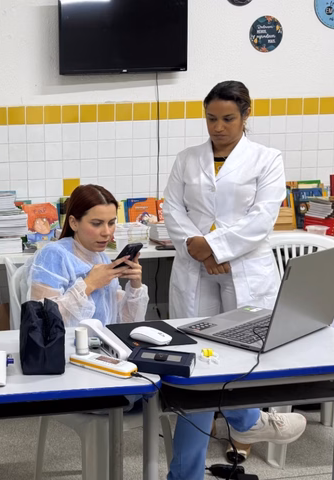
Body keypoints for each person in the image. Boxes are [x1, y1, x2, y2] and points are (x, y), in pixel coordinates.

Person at [163, 81, 306, 479]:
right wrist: (199, 248)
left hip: (243, 269)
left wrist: (214, 247)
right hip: (195, 268)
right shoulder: (187, 158)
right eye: (211, 119)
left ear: (246, 116)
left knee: (244, 359)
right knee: (196, 369)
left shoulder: (267, 158)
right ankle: (241, 426)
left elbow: (261, 218)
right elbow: (172, 209)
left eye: (228, 119)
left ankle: (246, 420)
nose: (218, 127)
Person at [25, 184, 148, 327]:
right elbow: (42, 322)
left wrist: (135, 286)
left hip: (103, 343)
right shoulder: (53, 256)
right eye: (97, 224)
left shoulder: (101, 257)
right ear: (73, 223)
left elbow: (124, 321)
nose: (107, 232)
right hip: (67, 347)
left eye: (112, 223)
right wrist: (89, 284)